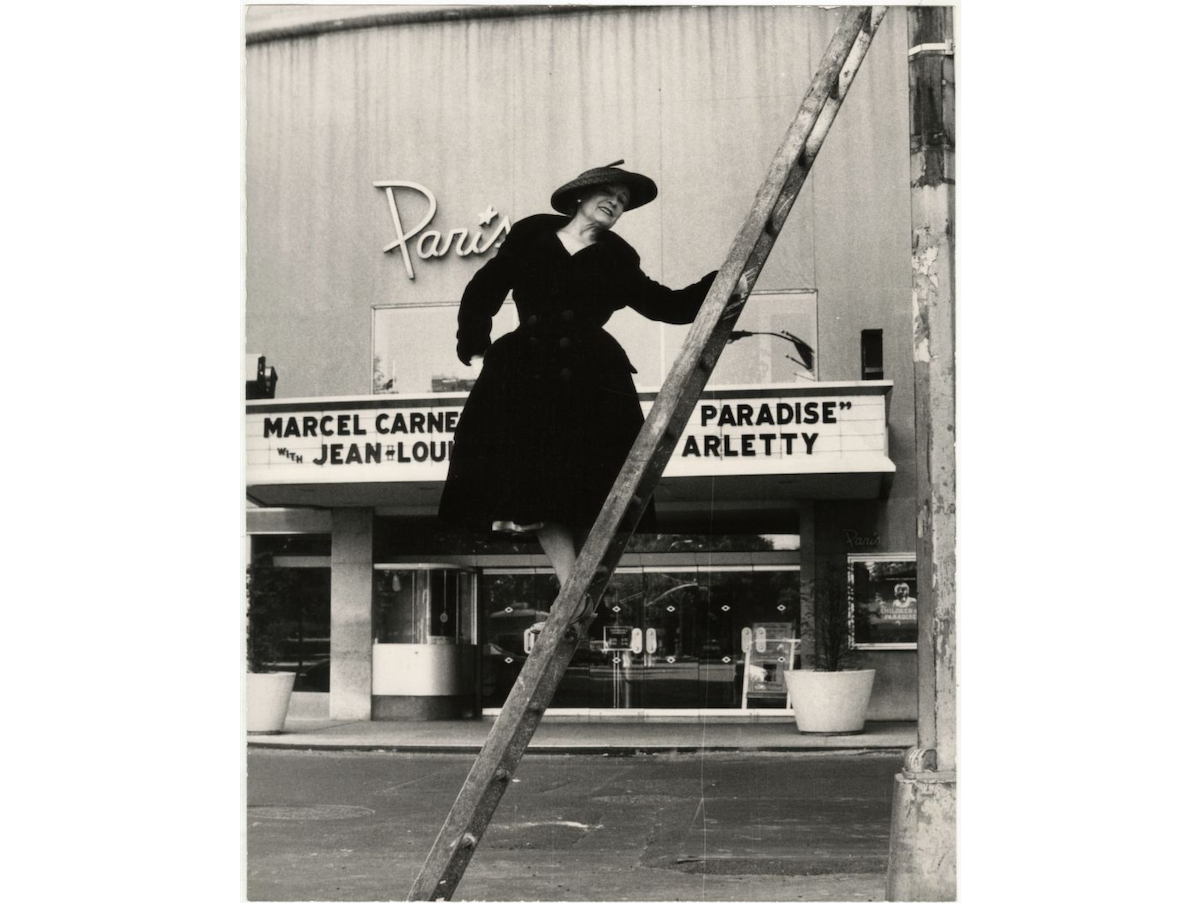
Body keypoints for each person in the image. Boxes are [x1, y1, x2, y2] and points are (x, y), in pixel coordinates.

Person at [438, 161, 717, 587]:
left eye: (622, 201)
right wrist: (476, 349)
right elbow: (483, 290)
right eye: (608, 194)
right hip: (525, 376)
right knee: (532, 489)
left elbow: (669, 305)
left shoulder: (620, 258)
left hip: (592, 380)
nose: (616, 203)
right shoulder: (531, 236)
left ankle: (580, 587)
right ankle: (573, 586)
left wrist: (723, 282)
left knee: (591, 488)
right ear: (580, 196)